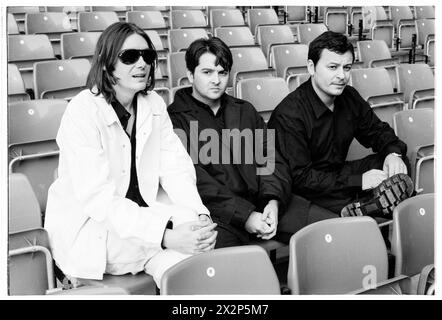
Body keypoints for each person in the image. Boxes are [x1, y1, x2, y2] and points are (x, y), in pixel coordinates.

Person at [44, 22, 217, 287]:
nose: (142, 63)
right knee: (180, 252)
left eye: (147, 56)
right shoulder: (82, 111)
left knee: (196, 257)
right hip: (96, 228)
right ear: (106, 63)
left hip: (143, 218)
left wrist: (198, 216)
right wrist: (166, 236)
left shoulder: (154, 104)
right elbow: (99, 199)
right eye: (129, 57)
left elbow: (176, 169)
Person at [168, 37, 313, 246]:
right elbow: (197, 182)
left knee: (330, 229)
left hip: (264, 203)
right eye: (207, 72)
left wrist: (273, 201)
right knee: (238, 268)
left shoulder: (245, 110)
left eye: (222, 72)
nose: (216, 80)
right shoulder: (174, 120)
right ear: (190, 75)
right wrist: (245, 216)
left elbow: (270, 159)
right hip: (217, 215)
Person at [268, 31, 413, 220]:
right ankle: (366, 205)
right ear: (311, 67)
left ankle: (363, 206)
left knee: (399, 165)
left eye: (347, 68)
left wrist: (392, 154)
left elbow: (378, 131)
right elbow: (302, 179)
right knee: (320, 196)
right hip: (309, 188)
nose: (341, 76)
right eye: (333, 67)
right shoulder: (289, 114)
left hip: (340, 174)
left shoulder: (349, 96)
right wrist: (359, 181)